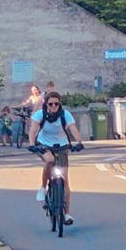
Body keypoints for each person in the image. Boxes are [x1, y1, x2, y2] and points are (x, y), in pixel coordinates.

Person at [29, 92, 84, 226]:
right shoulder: (40, 114)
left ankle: (66, 214)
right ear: (46, 104)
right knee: (50, 160)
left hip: (62, 145)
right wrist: (32, 145)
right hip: (43, 144)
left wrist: (79, 142)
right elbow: (33, 130)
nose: (53, 106)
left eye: (56, 103)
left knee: (64, 179)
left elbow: (73, 129)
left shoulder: (65, 115)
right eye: (50, 104)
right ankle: (43, 187)